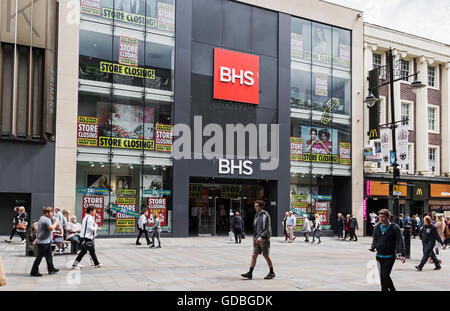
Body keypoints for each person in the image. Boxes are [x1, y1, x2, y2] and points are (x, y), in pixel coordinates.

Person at [370, 209, 405, 291]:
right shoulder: (377, 226)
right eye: (379, 217)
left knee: (384, 276)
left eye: (383, 217)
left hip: (389, 256)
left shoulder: (395, 227)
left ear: (388, 217)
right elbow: (375, 238)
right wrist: (373, 246)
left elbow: (400, 241)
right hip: (379, 256)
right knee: (382, 277)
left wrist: (403, 254)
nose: (380, 219)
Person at [241, 200, 274, 280]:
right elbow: (255, 228)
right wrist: (255, 237)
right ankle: (250, 273)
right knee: (254, 255)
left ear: (261, 206)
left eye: (256, 206)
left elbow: (268, 228)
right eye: (254, 206)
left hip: (264, 239)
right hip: (257, 238)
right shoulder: (256, 215)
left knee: (266, 256)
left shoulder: (266, 215)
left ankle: (272, 272)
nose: (255, 207)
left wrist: (261, 237)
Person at [30, 207, 60, 277]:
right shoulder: (46, 220)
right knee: (39, 257)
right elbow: (51, 228)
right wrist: (56, 222)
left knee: (49, 256)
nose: (52, 214)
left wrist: (37, 238)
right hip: (43, 242)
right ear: (46, 213)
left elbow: (38, 229)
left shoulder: (42, 218)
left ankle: (51, 269)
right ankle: (34, 272)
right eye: (51, 213)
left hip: (46, 241)